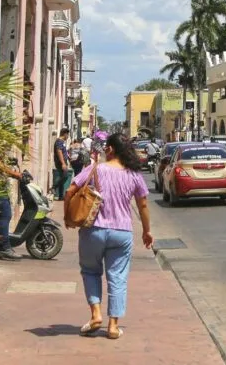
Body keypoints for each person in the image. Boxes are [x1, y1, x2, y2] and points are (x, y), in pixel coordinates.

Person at [65, 133, 153, 340]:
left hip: (93, 230)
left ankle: (96, 315)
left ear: (111, 149)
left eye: (106, 147)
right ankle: (113, 326)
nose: (104, 150)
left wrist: (68, 217)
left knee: (90, 271)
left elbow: (70, 191)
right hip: (122, 232)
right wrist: (146, 231)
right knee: (118, 278)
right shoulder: (134, 174)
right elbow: (142, 205)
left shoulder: (95, 169)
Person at [0, 158, 23, 261]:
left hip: (1, 188)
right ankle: (4, 247)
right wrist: (14, 174)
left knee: (4, 216)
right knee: (4, 215)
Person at [53, 130, 71, 201]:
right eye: (68, 135)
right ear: (65, 134)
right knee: (65, 176)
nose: (68, 137)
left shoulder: (62, 142)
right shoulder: (59, 141)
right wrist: (63, 163)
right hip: (60, 162)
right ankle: (54, 187)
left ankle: (61, 196)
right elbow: (59, 152)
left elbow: (63, 152)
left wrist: (68, 158)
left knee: (62, 177)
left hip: (63, 161)